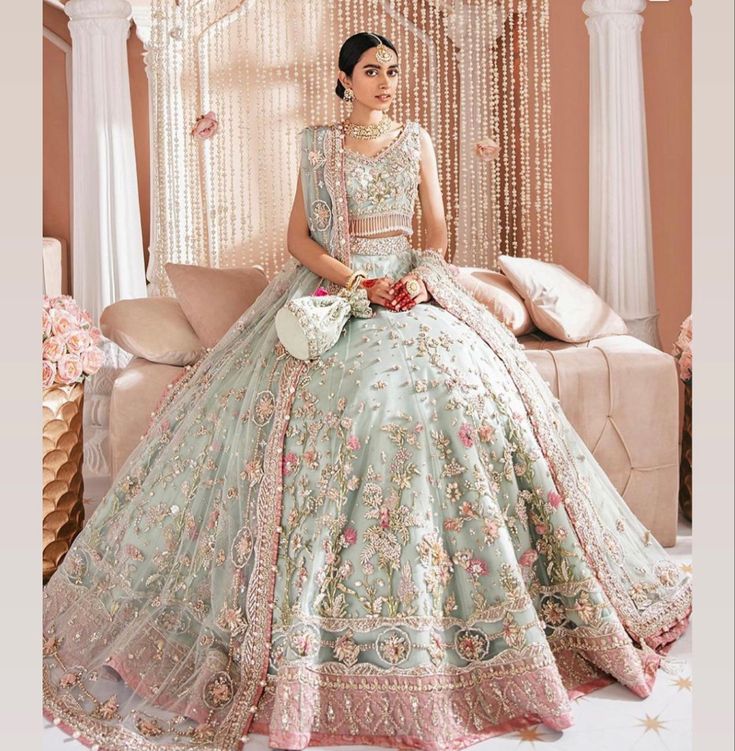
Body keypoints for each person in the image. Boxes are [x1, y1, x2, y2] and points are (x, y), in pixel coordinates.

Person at [43, 31, 691, 751]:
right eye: (371, 71)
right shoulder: (317, 145)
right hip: (339, 293)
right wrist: (359, 282)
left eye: (391, 70)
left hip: (411, 295)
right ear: (344, 80)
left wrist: (416, 278)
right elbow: (298, 240)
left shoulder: (415, 140)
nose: (385, 81)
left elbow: (436, 231)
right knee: (350, 404)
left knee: (472, 390)